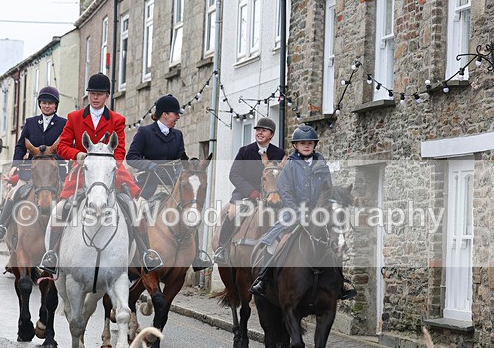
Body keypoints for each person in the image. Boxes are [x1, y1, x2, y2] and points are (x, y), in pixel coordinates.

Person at [39, 73, 159, 275]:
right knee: (60, 208)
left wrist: (109, 161)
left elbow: (120, 149)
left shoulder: (117, 120)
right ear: (88, 95)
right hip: (81, 171)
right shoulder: (74, 118)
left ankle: (146, 252)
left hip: (110, 171)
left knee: (135, 206)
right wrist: (78, 155)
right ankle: (51, 253)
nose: (95, 97)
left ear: (106, 96)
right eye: (92, 94)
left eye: (99, 94)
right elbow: (63, 147)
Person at [249, 125, 356, 300]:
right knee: (273, 241)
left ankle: (340, 283)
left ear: (314, 145)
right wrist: (298, 212)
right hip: (293, 211)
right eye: (302, 143)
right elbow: (285, 191)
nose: (306, 146)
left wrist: (319, 211)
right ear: (296, 146)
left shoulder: (322, 165)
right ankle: (264, 278)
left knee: (336, 240)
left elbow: (327, 191)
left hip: (317, 212)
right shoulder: (290, 165)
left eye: (310, 143)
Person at [126, 94, 213, 271]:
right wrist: (149, 165)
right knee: (135, 214)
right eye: (176, 114)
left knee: (190, 212)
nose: (178, 117)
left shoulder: (178, 135)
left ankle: (196, 257)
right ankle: (129, 253)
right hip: (148, 184)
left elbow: (180, 159)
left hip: (173, 186)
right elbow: (131, 158)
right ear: (164, 114)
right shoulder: (145, 132)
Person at [0, 86, 67, 243]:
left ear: (56, 105)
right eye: (44, 102)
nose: (47, 106)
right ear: (40, 104)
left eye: (51, 103)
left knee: (68, 199)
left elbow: (66, 146)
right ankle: (2, 226)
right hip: (32, 171)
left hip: (54, 171)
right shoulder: (31, 122)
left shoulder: (63, 124)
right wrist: (15, 164)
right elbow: (20, 146)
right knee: (15, 191)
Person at [213, 117, 285, 264]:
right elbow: (234, 174)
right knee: (232, 213)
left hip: (272, 194)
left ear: (271, 135)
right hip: (245, 193)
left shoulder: (279, 153)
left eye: (264, 130)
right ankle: (222, 248)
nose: (260, 132)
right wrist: (251, 192)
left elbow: (282, 176)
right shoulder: (245, 151)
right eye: (258, 130)